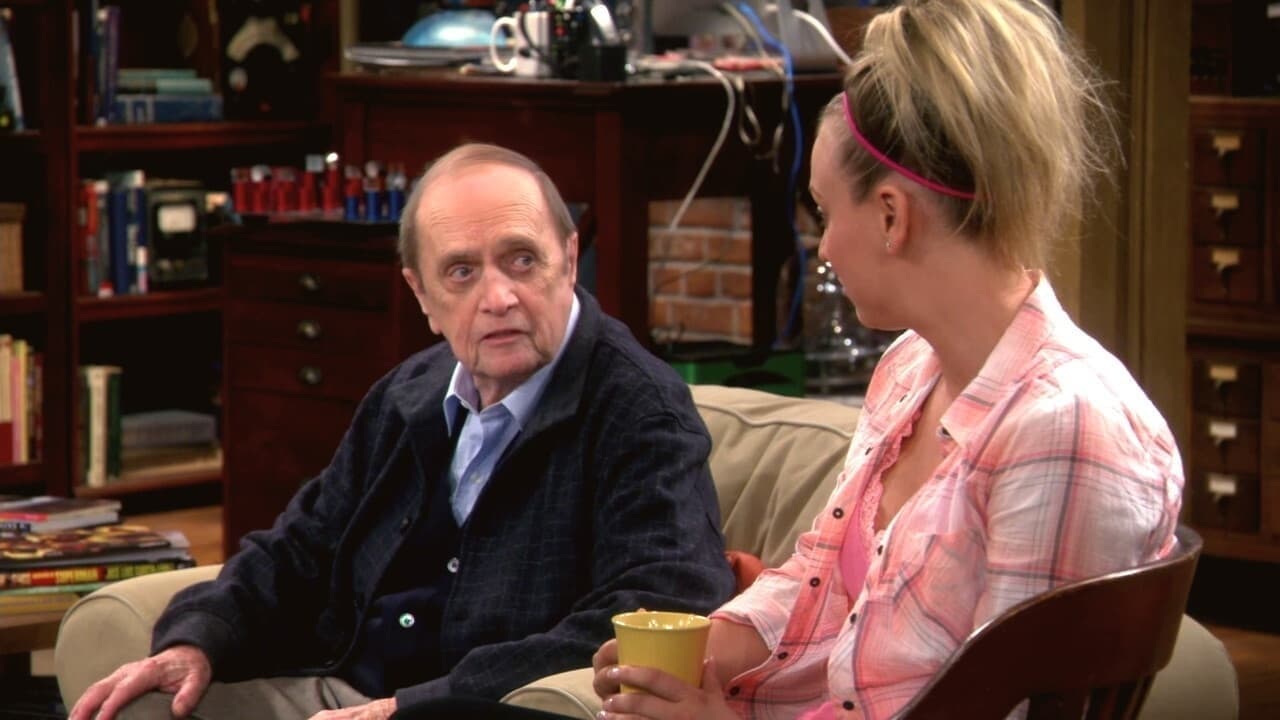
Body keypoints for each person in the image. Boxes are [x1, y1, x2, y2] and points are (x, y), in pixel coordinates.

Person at [591, 1, 1185, 718]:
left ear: (892, 216)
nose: (824, 247)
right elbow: (820, 580)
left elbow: (1007, 709)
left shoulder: (1063, 429)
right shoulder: (910, 369)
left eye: (823, 212)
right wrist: (701, 646)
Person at [70, 143, 736, 720]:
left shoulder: (639, 409)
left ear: (568, 258)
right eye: (462, 272)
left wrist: (414, 707)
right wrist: (199, 637)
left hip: (480, 708)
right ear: (422, 295)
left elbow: (657, 604)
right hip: (339, 688)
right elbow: (302, 547)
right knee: (143, 708)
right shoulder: (408, 393)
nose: (497, 297)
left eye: (521, 260)